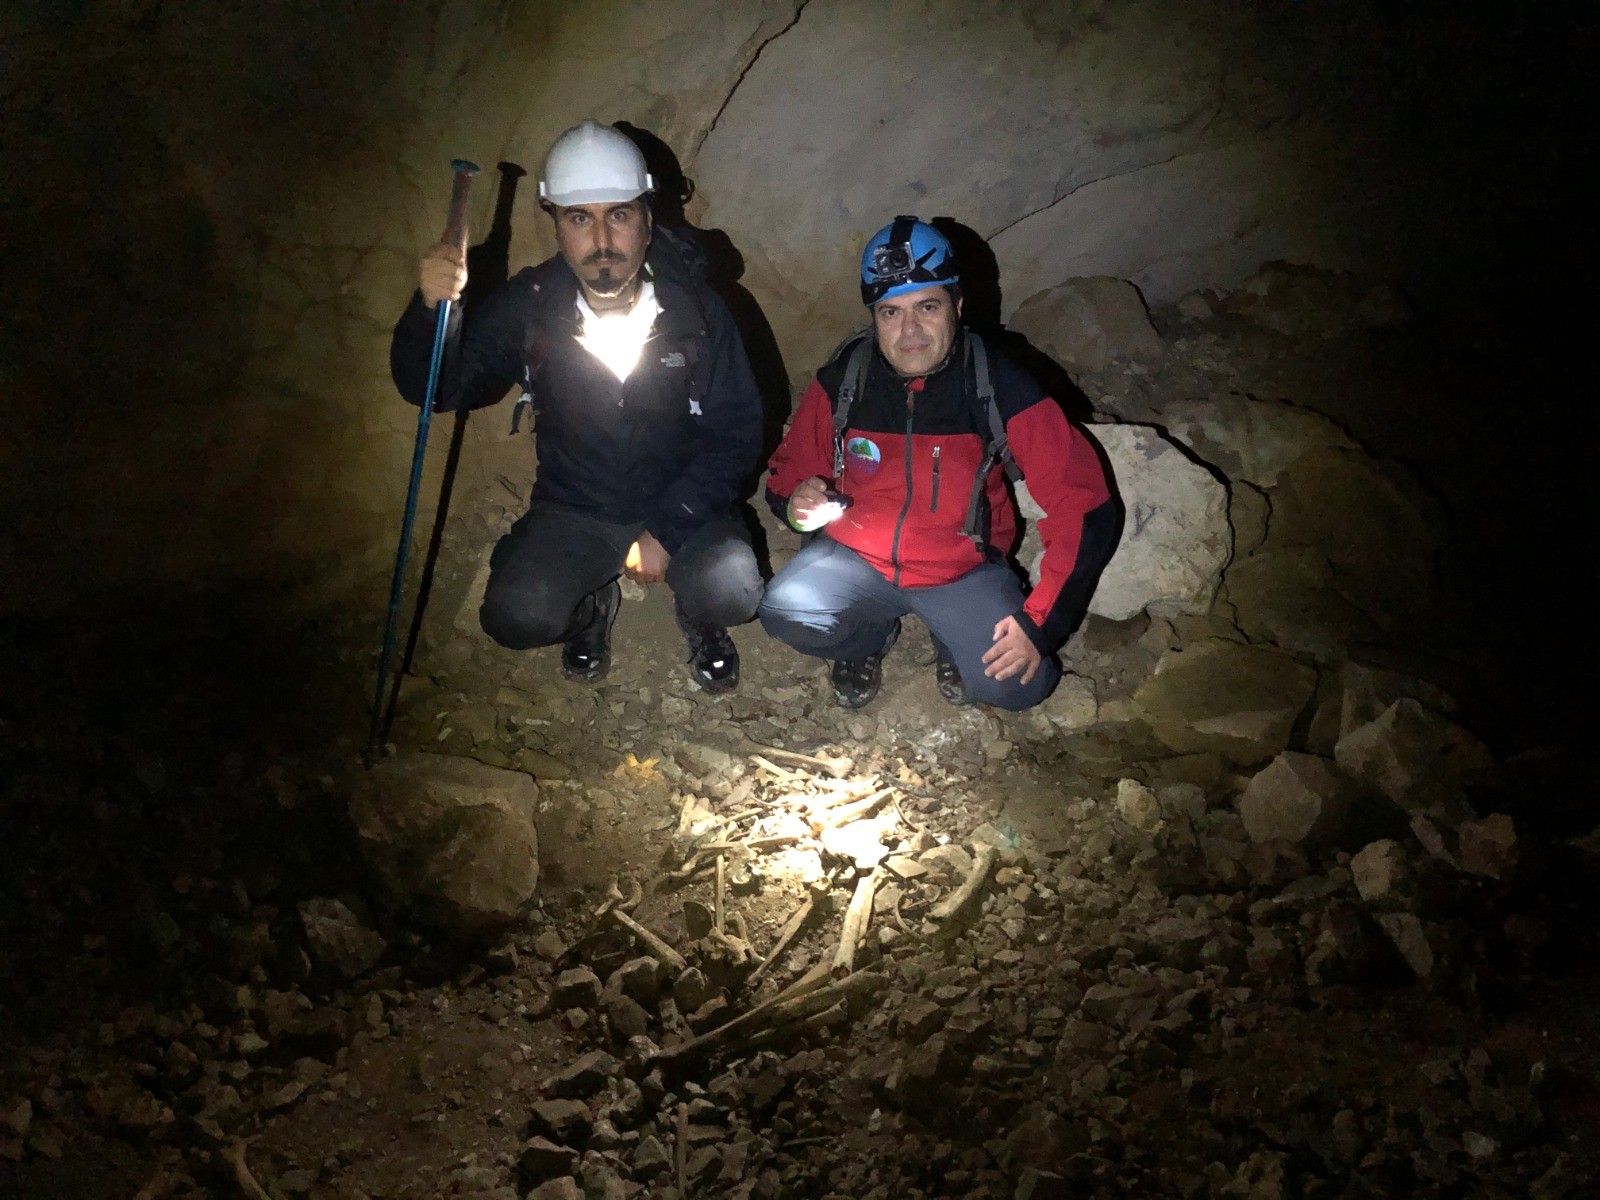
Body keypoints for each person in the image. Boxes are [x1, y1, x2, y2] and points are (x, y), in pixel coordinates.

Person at [390, 120, 764, 692]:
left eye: (618, 214)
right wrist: (430, 308)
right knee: (516, 617)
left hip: (683, 497)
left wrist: (667, 528)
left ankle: (699, 610)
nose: (602, 240)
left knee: (733, 590)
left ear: (646, 217)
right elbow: (436, 388)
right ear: (557, 225)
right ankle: (591, 610)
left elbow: (737, 431)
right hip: (578, 506)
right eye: (579, 217)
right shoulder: (531, 307)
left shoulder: (698, 309)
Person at [759, 216, 1118, 711]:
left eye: (927, 307)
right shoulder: (846, 380)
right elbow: (786, 476)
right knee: (783, 610)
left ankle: (952, 634)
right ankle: (869, 639)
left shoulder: (997, 384)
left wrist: (1041, 622)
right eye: (890, 312)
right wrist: (799, 505)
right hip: (856, 560)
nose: (909, 331)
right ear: (874, 317)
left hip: (961, 573)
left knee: (1017, 688)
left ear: (957, 306)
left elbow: (1085, 503)